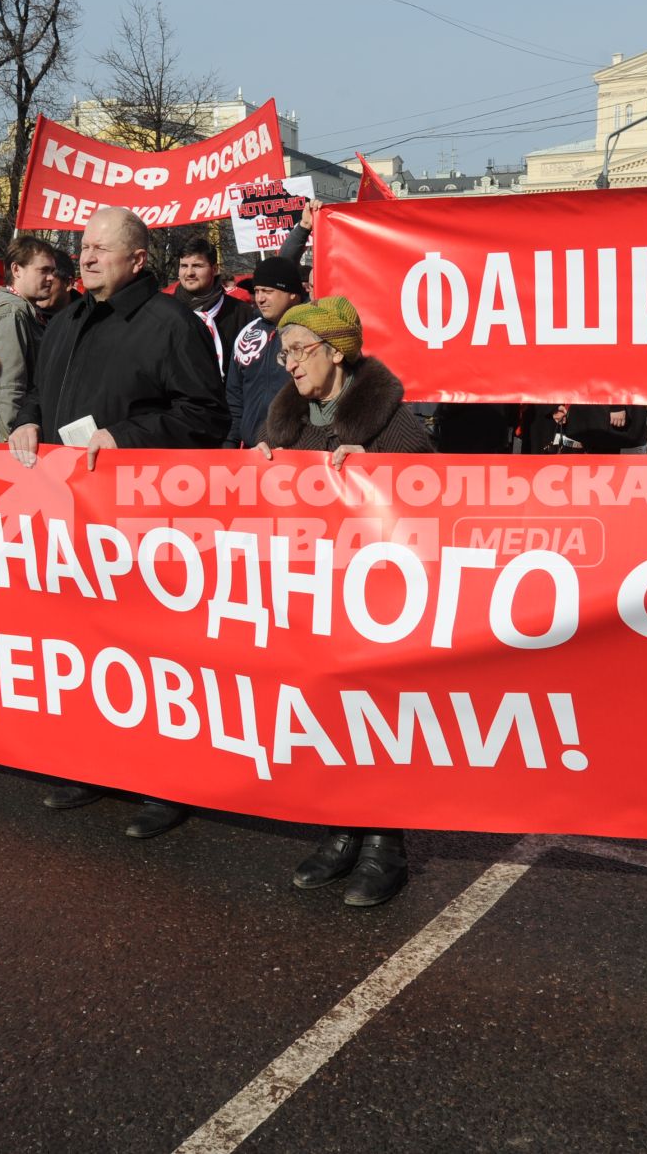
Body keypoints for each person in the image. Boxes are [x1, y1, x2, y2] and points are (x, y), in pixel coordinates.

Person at [10, 206, 227, 837]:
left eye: (102, 248)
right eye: (83, 246)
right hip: (73, 519)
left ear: (137, 259)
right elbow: (39, 396)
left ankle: (167, 782)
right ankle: (94, 763)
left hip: (144, 521)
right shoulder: (67, 320)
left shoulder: (170, 324)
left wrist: (122, 436)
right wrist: (27, 417)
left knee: (152, 656)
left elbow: (206, 418)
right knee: (85, 650)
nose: (87, 256)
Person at [254, 294, 431, 907]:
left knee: (373, 716)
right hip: (311, 596)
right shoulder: (287, 420)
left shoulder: (391, 419)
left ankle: (386, 845)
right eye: (284, 353)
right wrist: (255, 466)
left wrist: (378, 467)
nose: (290, 365)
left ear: (337, 353)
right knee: (325, 712)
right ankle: (341, 832)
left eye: (300, 351)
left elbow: (436, 491)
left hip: (376, 600)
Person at [0, 235, 59, 434]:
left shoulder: (26, 311)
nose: (51, 277)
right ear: (16, 270)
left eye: (52, 271)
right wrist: (15, 438)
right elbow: (7, 389)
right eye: (43, 270)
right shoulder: (10, 314)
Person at [224, 254, 304, 448]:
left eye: (267, 291)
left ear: (292, 293)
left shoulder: (312, 333)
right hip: (252, 451)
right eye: (257, 291)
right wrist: (230, 443)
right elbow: (235, 398)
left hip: (300, 451)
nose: (259, 298)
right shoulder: (248, 332)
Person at [171, 238, 253, 371]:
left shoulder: (241, 312)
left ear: (214, 269)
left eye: (197, 266)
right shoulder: (165, 310)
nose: (189, 273)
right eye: (184, 266)